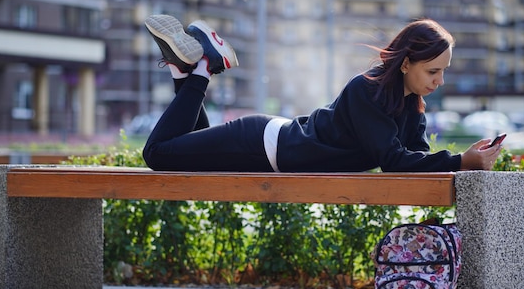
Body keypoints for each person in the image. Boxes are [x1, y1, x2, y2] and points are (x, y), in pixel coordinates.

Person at [142, 15, 502, 173]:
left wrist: (464, 161)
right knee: (157, 154)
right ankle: (206, 65)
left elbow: (417, 159)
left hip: (268, 152)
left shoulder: (410, 106)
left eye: (444, 72)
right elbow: (393, 159)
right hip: (261, 142)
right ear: (406, 63)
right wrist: (460, 161)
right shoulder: (367, 91)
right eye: (433, 71)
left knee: (182, 151)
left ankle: (184, 70)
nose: (439, 82)